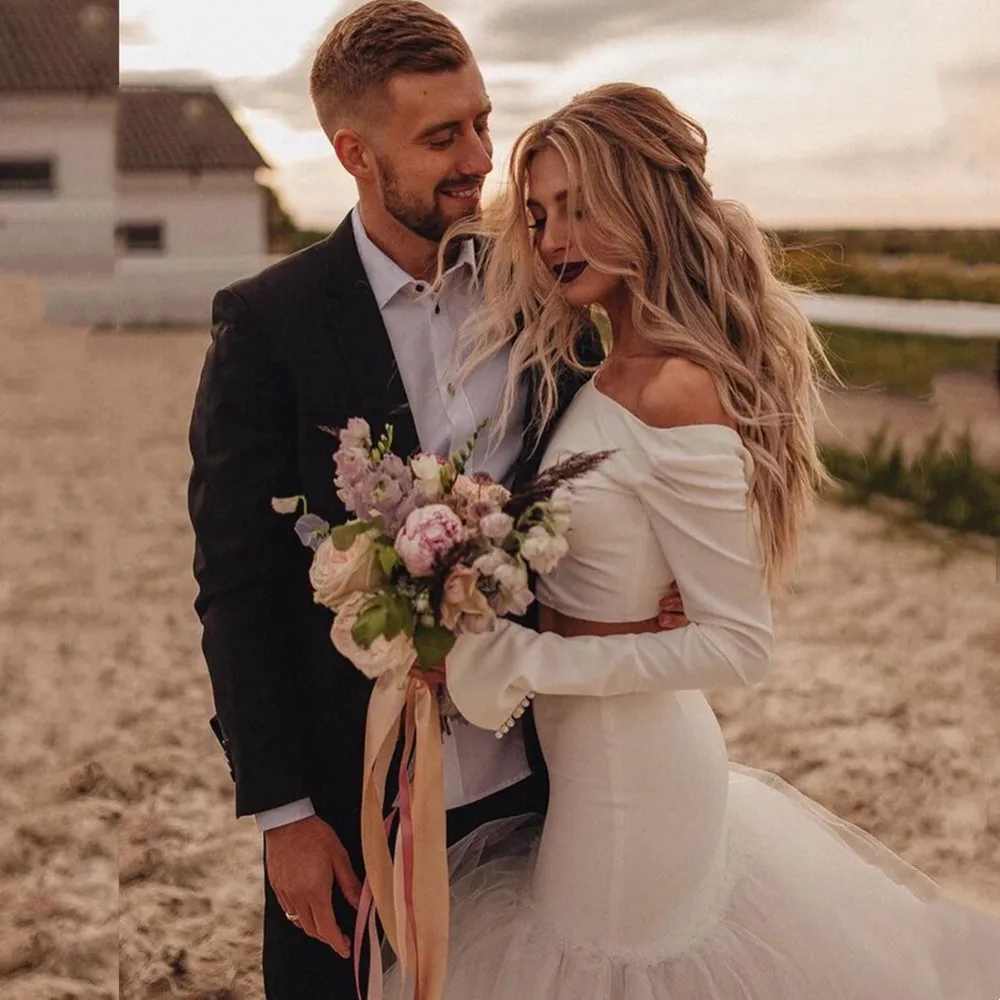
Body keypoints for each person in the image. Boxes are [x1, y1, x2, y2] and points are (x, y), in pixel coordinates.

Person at [385, 83, 1000, 998]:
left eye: (583, 208)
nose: (554, 239)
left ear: (645, 204)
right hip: (593, 769)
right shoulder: (604, 366)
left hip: (634, 783)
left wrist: (531, 657)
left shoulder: (675, 384)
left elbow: (738, 644)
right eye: (544, 212)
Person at [187, 6, 681, 998]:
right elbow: (238, 587)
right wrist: (284, 815)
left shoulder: (540, 281)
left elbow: (631, 431)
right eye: (441, 136)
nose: (478, 159)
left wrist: (658, 577)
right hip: (354, 792)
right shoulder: (267, 325)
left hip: (551, 775)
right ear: (353, 152)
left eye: (482, 123)